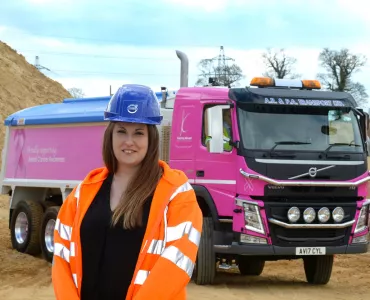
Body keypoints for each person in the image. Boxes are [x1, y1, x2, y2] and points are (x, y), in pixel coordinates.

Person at [51, 84, 203, 300]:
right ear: (110, 136)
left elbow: (177, 263)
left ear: (151, 139)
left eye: (138, 133)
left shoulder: (177, 195)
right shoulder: (83, 193)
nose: (129, 141)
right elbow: (62, 258)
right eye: (121, 131)